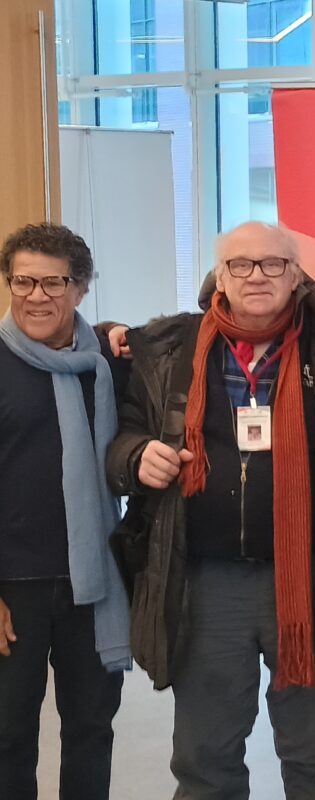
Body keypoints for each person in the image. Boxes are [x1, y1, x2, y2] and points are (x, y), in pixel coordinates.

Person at [106, 221, 315, 800]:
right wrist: (136, 457)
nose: (256, 276)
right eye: (241, 265)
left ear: (296, 276)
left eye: (272, 264)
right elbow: (122, 432)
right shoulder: (166, 349)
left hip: (305, 579)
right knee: (205, 754)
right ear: (220, 278)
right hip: (206, 581)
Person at [0, 222, 131, 800]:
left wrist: (113, 336)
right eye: (22, 281)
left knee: (90, 732)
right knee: (7, 738)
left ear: (80, 288)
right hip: (13, 589)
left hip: (93, 584)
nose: (36, 296)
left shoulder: (104, 362)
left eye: (53, 283)